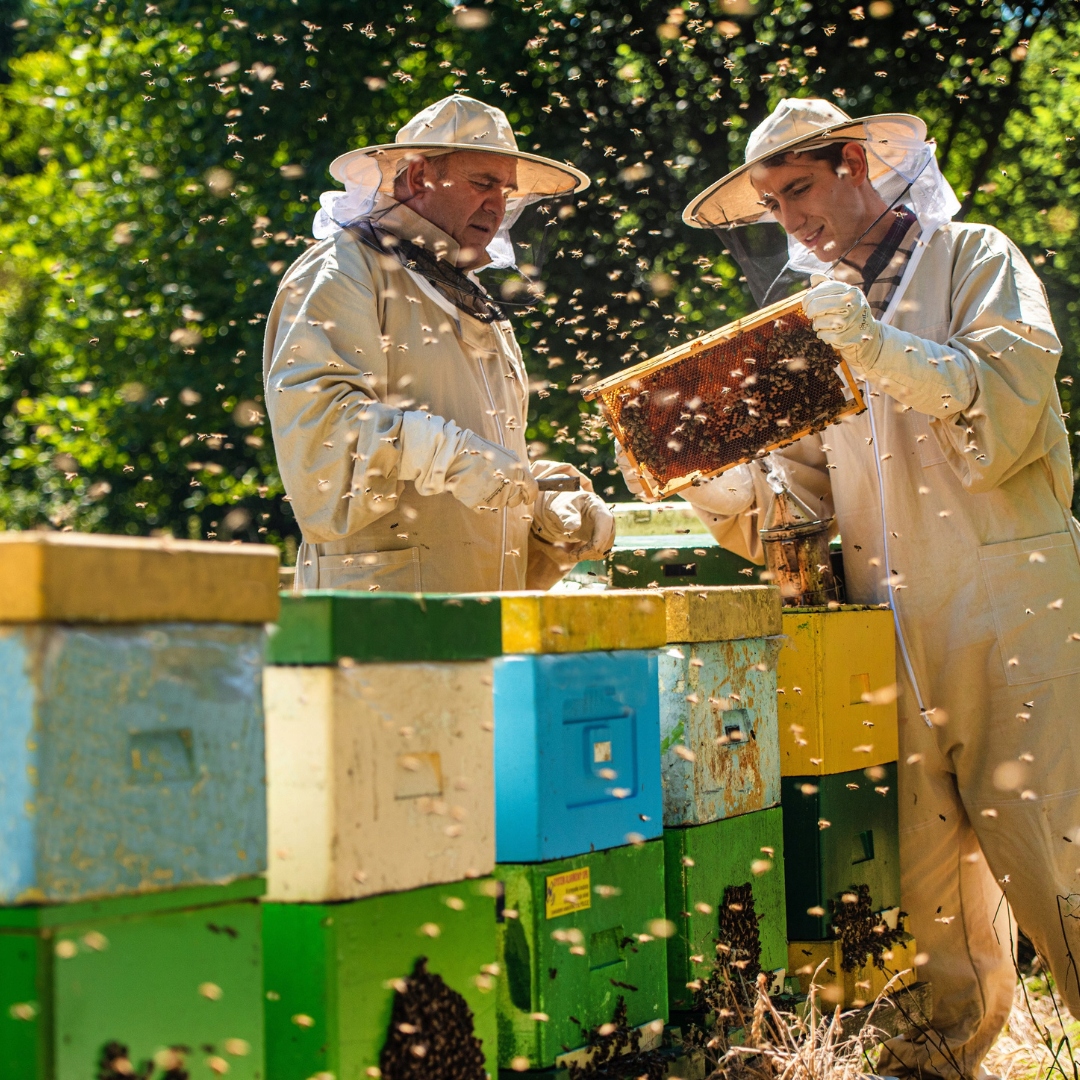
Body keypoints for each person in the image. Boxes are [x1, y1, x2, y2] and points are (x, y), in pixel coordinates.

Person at [636, 97, 1080, 1077]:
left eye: (800, 190)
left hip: (1013, 612)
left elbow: (1009, 409)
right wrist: (697, 470)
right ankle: (942, 1057)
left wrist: (878, 348)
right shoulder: (814, 321)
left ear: (858, 164)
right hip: (889, 630)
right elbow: (797, 505)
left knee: (1057, 850)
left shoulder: (975, 256)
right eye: (772, 206)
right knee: (928, 883)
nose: (791, 220)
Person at [264, 94, 614, 592]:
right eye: (483, 182)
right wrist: (447, 455)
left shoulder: (469, 295)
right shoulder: (345, 270)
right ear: (416, 177)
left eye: (506, 190)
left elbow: (481, 459)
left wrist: (542, 501)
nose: (497, 205)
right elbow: (317, 429)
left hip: (487, 611)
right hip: (384, 612)